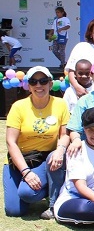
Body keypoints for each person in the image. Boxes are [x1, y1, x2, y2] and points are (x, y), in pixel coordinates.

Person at [4, 66, 69, 219]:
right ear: (29, 85)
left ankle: (55, 188)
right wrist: (26, 173)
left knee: (27, 193)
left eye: (43, 81)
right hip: (22, 159)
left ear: (50, 84)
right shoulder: (18, 107)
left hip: (46, 160)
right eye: (34, 82)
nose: (39, 86)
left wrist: (60, 150)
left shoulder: (60, 104)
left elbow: (65, 134)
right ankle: (45, 184)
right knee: (14, 211)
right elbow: (11, 142)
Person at [65, 18, 94, 97]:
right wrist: (77, 88)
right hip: (80, 96)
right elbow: (71, 71)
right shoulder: (82, 47)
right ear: (91, 34)